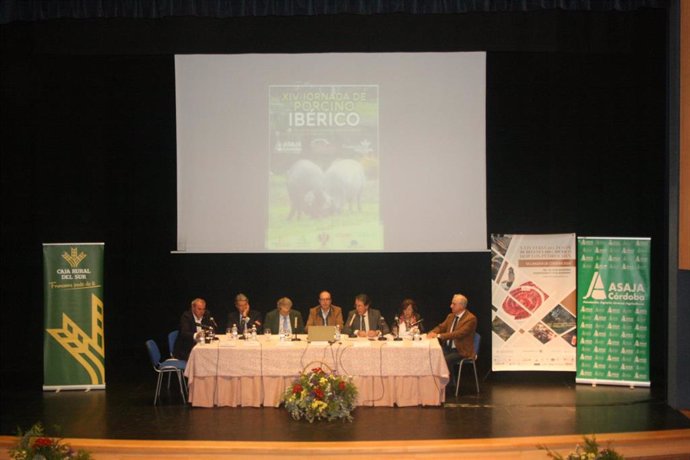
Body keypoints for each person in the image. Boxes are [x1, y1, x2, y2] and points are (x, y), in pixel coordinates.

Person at [427, 294, 477, 382]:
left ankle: (448, 385)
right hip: (448, 348)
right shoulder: (451, 316)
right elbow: (441, 327)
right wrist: (432, 332)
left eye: (454, 304)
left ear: (461, 306)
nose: (451, 306)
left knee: (444, 360)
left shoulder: (471, 319)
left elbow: (458, 334)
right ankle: (438, 382)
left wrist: (439, 336)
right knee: (432, 355)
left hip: (461, 350)